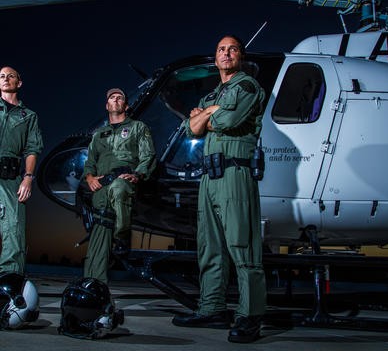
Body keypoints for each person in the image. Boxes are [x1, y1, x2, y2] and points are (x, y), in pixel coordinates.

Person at [172, 35, 267, 343]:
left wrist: (207, 113)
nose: (226, 53)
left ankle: (249, 315)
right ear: (215, 58)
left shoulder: (248, 86)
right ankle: (212, 307)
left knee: (243, 245)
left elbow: (228, 120)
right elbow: (191, 130)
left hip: (235, 174)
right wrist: (208, 112)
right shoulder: (214, 92)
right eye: (221, 49)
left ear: (241, 56)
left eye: (232, 49)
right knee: (209, 247)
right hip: (209, 178)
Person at [83, 88, 156, 284]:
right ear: (107, 106)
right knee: (98, 238)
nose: (115, 100)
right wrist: (90, 178)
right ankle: (93, 285)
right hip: (101, 186)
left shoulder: (137, 127)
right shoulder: (99, 134)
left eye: (120, 97)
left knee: (118, 188)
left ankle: (122, 236)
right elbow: (90, 162)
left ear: (126, 105)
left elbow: (148, 155)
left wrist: (138, 174)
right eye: (111, 98)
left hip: (124, 181)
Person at [0, 66, 43, 275]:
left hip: (11, 178)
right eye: (1, 76)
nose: (5, 79)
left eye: (10, 76)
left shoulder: (28, 116)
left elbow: (32, 149)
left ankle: (9, 279)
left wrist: (27, 178)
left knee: (14, 228)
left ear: (19, 83)